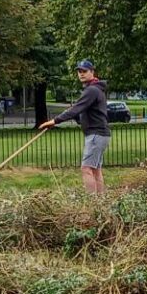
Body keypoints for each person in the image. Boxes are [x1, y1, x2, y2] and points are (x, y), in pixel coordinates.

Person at [39, 60, 111, 194]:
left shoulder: (92, 90)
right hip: (99, 134)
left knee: (86, 169)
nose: (81, 74)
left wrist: (55, 121)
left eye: (84, 71)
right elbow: (81, 112)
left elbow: (76, 109)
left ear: (92, 72)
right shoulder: (94, 89)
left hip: (96, 134)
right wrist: (75, 115)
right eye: (79, 71)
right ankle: (100, 202)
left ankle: (92, 203)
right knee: (95, 169)